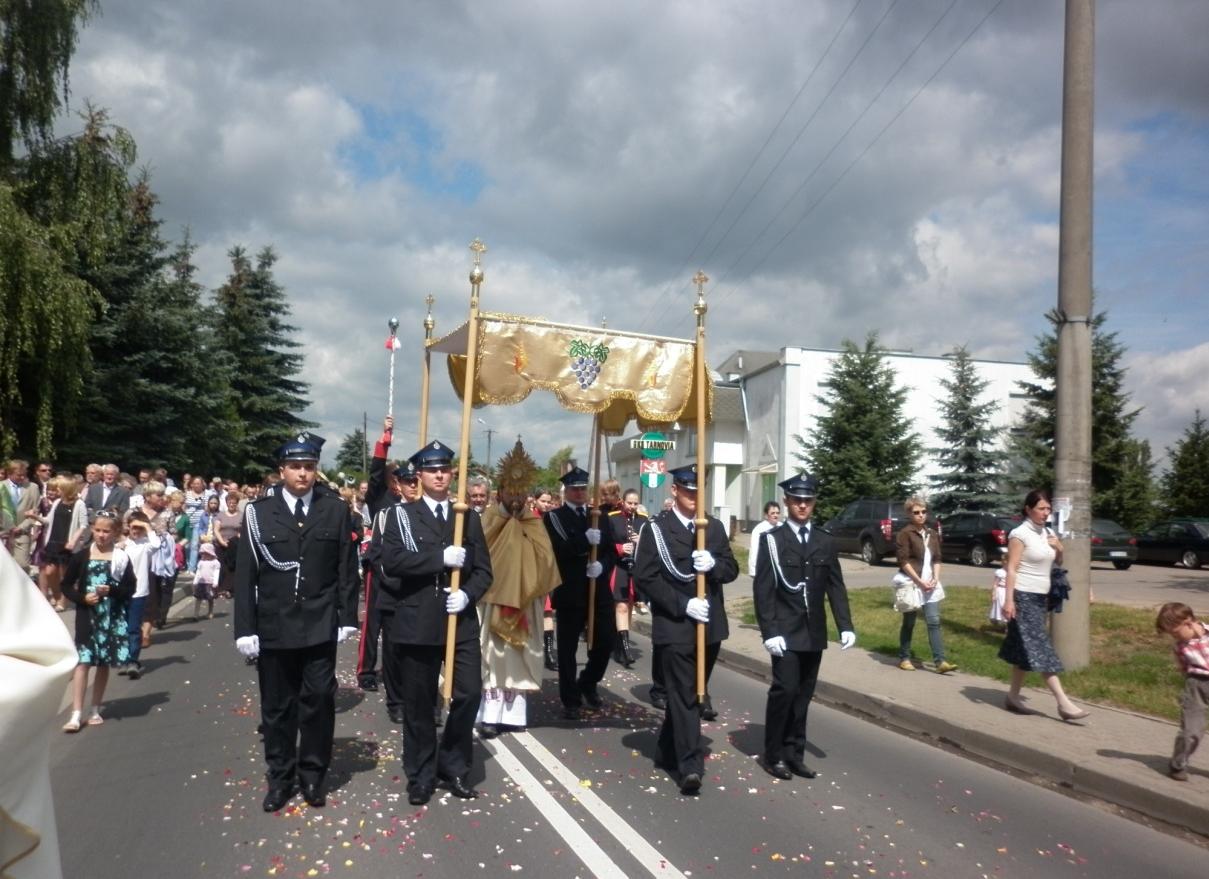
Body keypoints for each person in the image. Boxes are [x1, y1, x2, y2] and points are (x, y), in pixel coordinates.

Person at [233, 432, 360, 812]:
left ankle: (312, 775)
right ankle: (281, 777)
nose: (303, 474)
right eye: (295, 467)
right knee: (277, 707)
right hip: (274, 625)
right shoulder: (258, 513)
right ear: (282, 470)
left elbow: (345, 568)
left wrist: (347, 616)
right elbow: (246, 576)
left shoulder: (334, 510)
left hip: (319, 623)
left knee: (319, 701)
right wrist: (245, 628)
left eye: (309, 467)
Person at [378, 440, 493, 805]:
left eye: (444, 469)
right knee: (420, 703)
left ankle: (454, 765)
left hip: (459, 622)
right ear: (420, 476)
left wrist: (469, 594)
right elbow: (392, 562)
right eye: (432, 470)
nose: (439, 475)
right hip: (418, 620)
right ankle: (421, 773)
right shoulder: (401, 516)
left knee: (470, 692)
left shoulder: (467, 517)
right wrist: (438, 558)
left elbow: (484, 572)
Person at [632, 464, 738, 795]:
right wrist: (681, 604)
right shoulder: (657, 529)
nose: (694, 497)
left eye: (699, 491)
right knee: (687, 696)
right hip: (676, 625)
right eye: (688, 491)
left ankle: (666, 749)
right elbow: (644, 576)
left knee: (689, 693)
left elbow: (732, 569)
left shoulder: (714, 528)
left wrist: (715, 565)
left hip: (710, 626)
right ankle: (690, 766)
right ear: (675, 491)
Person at [752, 474, 856, 781]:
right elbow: (764, 590)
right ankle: (773, 756)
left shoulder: (824, 540)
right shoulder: (772, 540)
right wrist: (769, 632)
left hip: (813, 632)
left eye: (807, 500)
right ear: (786, 502)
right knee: (784, 691)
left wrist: (845, 625)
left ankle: (794, 754)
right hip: (784, 632)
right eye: (797, 500)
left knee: (803, 695)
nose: (802, 505)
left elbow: (835, 586)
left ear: (814, 503)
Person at [476, 440, 560, 736]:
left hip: (525, 602)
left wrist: (530, 576)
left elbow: (547, 560)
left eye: (520, 491)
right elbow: (479, 554)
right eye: (510, 490)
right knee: (492, 656)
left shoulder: (534, 524)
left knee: (518, 657)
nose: (515, 496)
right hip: (493, 600)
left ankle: (512, 715)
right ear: (500, 491)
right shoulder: (488, 519)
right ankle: (490, 713)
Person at [999, 489, 1089, 721]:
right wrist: (1008, 600)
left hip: (1041, 597)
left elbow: (1055, 562)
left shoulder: (1046, 532)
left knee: (1025, 647)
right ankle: (1063, 703)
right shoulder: (1019, 534)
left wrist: (1059, 549)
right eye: (1041, 508)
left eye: (1048, 509)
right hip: (1023, 595)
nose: (1045, 513)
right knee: (1040, 648)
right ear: (1028, 509)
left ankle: (1013, 696)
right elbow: (1012, 568)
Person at [544, 467, 619, 720]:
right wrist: (585, 541)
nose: (579, 493)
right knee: (567, 650)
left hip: (598, 590)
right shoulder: (554, 518)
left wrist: (603, 566)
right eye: (574, 488)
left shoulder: (599, 516)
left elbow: (611, 551)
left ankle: (588, 681)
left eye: (583, 488)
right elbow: (558, 551)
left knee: (606, 641)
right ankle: (570, 700)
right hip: (571, 591)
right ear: (566, 491)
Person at [60, 512, 136, 731]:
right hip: (87, 615)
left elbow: (130, 588)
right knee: (83, 661)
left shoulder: (120, 557)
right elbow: (66, 585)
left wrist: (111, 590)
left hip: (110, 616)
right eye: (98, 530)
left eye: (106, 531)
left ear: (115, 532)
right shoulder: (82, 556)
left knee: (102, 662)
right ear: (92, 530)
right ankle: (75, 713)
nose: (101, 535)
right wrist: (82, 598)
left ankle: (95, 708)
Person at [357, 415, 403, 697]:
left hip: (403, 569)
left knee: (397, 624)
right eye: (396, 477)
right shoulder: (379, 497)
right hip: (380, 566)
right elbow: (374, 474)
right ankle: (365, 670)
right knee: (373, 623)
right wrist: (383, 444)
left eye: (406, 478)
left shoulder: (409, 501)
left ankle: (393, 669)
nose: (401, 482)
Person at [895, 498, 956, 673]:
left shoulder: (932, 533)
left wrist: (935, 578)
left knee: (934, 621)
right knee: (909, 622)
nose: (921, 515)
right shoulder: (905, 534)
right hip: (912, 582)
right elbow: (903, 560)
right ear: (909, 514)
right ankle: (904, 657)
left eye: (923, 512)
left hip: (930, 583)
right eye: (916, 512)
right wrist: (919, 581)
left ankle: (940, 662)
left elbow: (937, 558)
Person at [1156, 603, 1209, 781]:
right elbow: (1183, 668)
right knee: (1190, 731)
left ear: (1188, 622)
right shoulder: (1180, 647)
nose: (1174, 637)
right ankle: (1178, 764)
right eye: (1170, 634)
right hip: (1197, 685)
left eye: (1176, 632)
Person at [30, 476, 88, 611]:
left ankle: (62, 601)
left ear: (66, 489)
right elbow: (47, 521)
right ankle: (57, 595)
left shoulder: (79, 504)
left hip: (67, 543)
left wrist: (73, 541)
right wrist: (34, 516)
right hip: (53, 542)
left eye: (59, 488)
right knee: (49, 572)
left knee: (64, 575)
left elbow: (83, 525)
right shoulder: (57, 502)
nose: (57, 491)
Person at [608, 487, 647, 668]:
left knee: (629, 606)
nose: (632, 506)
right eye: (629, 503)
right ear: (623, 502)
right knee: (621, 606)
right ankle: (625, 649)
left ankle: (618, 643)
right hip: (619, 566)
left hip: (635, 569)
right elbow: (604, 544)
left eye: (635, 503)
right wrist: (620, 548)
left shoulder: (644, 521)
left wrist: (642, 541)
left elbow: (651, 546)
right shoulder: (613, 518)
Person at [118, 511, 159, 679]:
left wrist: (146, 526)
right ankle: (124, 659)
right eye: (133, 527)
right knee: (122, 627)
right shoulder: (122, 544)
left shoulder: (146, 545)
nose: (135, 531)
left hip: (139, 591)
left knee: (134, 627)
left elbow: (156, 544)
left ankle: (133, 660)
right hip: (121, 592)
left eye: (138, 528)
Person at [6, 460, 42, 573]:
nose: (22, 477)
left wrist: (21, 527)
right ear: (9, 473)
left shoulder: (33, 488)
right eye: (18, 475)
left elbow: (35, 511)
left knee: (22, 567)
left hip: (22, 534)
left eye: (24, 475)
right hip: (3, 533)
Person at [747, 501, 781, 577]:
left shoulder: (783, 527)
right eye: (773, 513)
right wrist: (753, 571)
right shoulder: (759, 530)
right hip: (765, 569)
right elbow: (754, 550)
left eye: (777, 513)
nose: (776, 515)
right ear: (766, 515)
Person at [193, 542, 221, 620]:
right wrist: (196, 580)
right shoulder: (201, 562)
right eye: (202, 553)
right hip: (201, 582)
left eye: (205, 553)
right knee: (198, 598)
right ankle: (196, 614)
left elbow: (216, 573)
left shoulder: (215, 563)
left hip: (210, 583)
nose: (203, 555)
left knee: (210, 598)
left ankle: (210, 612)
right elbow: (198, 572)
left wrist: (215, 582)